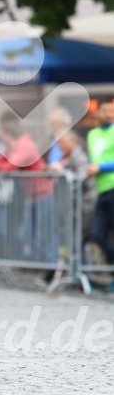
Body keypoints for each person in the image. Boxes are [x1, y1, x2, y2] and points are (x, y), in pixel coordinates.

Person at [0, 111, 56, 273]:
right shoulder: (16, 147)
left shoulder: (25, 145)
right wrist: (7, 154)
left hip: (43, 195)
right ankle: (45, 265)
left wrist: (7, 158)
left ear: (8, 135)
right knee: (28, 233)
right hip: (34, 197)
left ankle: (53, 266)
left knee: (44, 234)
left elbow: (8, 168)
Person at [51, 129, 97, 256]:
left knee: (82, 239)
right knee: (78, 241)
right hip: (77, 205)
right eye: (59, 143)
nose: (61, 146)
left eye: (63, 142)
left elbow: (83, 177)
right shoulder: (67, 157)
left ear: (73, 142)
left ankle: (84, 272)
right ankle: (83, 271)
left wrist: (63, 171)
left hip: (86, 204)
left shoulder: (78, 155)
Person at [86, 99, 114, 292]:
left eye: (111, 111)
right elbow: (91, 158)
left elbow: (100, 163)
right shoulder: (92, 134)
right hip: (101, 190)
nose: (108, 114)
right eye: (105, 110)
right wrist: (90, 167)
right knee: (97, 234)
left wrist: (101, 167)